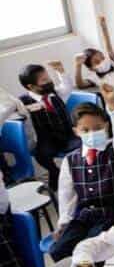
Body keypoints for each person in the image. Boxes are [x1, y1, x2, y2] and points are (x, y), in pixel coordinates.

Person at [51, 86, 114, 261]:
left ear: (106, 126)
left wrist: (112, 106)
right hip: (86, 216)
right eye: (85, 130)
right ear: (76, 132)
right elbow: (67, 196)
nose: (92, 133)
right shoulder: (70, 160)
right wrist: (63, 223)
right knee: (58, 250)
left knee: (89, 249)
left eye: (97, 128)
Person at [17, 61, 78, 192]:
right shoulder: (23, 101)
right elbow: (11, 113)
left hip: (67, 134)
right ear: (31, 86)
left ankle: (73, 176)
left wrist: (61, 71)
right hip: (46, 139)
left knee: (78, 146)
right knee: (41, 154)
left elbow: (67, 87)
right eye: (44, 80)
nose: (49, 81)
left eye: (48, 77)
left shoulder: (55, 93)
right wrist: (26, 109)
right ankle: (55, 171)